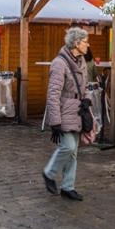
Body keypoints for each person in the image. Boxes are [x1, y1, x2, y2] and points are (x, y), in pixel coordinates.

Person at [42, 27, 90, 202]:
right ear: (76, 43)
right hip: (64, 111)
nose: (88, 44)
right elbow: (53, 94)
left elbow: (83, 86)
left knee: (73, 152)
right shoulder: (59, 63)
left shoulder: (81, 61)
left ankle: (68, 187)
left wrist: (86, 100)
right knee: (68, 147)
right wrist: (54, 121)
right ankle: (49, 172)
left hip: (78, 111)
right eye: (85, 41)